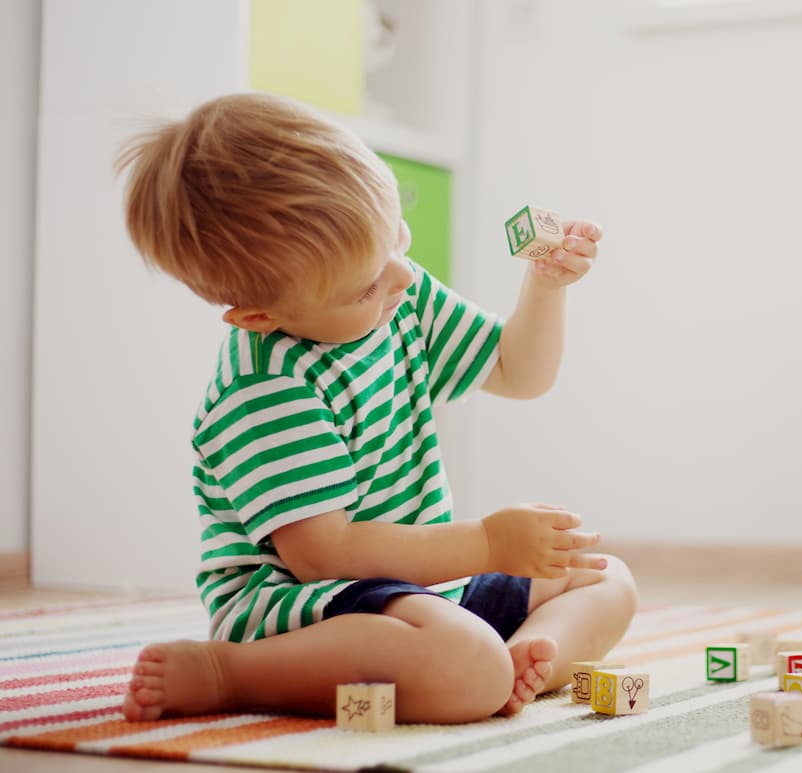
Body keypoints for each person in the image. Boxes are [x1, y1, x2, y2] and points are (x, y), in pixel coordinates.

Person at [114, 92, 637, 724]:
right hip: (305, 608)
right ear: (260, 316)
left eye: (396, 236)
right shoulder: (266, 386)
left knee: (605, 576)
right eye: (366, 285)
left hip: (420, 591)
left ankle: (523, 660)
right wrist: (486, 542)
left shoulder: (394, 294)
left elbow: (515, 372)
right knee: (463, 663)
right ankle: (228, 672)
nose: (402, 278)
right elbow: (325, 555)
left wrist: (546, 288)